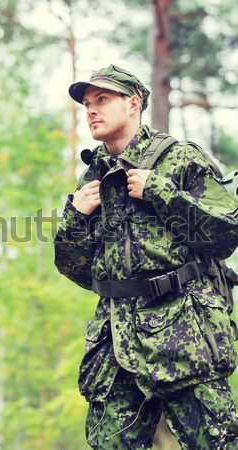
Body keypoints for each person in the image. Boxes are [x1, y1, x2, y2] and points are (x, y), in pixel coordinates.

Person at [54, 64, 238, 449]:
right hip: (115, 341)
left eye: (101, 99)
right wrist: (76, 217)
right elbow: (74, 268)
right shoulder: (93, 178)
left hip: (184, 333)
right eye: (87, 103)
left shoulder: (181, 159)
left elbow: (225, 237)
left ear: (133, 103)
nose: (90, 110)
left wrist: (164, 194)